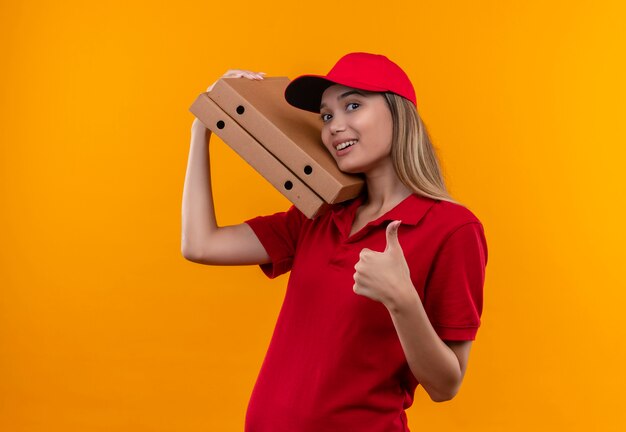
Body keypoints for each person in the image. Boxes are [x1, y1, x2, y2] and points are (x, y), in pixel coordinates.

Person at [181, 52, 488, 432]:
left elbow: (446, 385)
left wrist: (401, 300)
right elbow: (200, 245)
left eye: (353, 106)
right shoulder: (321, 214)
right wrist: (204, 125)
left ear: (398, 113)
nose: (334, 127)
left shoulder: (453, 229)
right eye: (327, 116)